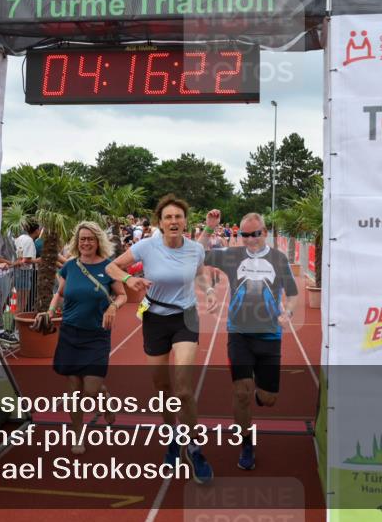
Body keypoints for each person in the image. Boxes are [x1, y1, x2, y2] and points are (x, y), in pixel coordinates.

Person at [104, 194, 215, 483]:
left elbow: (200, 274)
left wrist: (209, 291)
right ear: (160, 223)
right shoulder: (146, 246)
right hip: (155, 318)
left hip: (186, 317)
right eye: (168, 217)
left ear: (185, 221)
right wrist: (129, 280)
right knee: (162, 385)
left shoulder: (194, 249)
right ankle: (173, 437)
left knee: (183, 387)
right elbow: (111, 267)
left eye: (178, 216)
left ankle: (194, 446)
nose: (174, 221)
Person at [197, 210, 299, 471]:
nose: (250, 239)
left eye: (255, 234)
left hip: (269, 337)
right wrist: (210, 228)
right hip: (239, 334)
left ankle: (259, 393)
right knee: (241, 393)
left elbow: (293, 294)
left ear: (264, 233)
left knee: (268, 399)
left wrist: (287, 312)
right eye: (245, 234)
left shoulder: (278, 259)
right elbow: (195, 254)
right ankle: (246, 443)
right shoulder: (232, 256)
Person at [35, 221, 126, 453]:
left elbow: (123, 295)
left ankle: (104, 395)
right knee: (74, 389)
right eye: (82, 239)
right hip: (70, 333)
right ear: (77, 242)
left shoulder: (108, 267)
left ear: (98, 242)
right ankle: (77, 436)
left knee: (91, 389)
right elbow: (60, 292)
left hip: (97, 335)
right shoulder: (71, 266)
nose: (86, 243)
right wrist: (49, 310)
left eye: (90, 239)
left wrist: (113, 307)